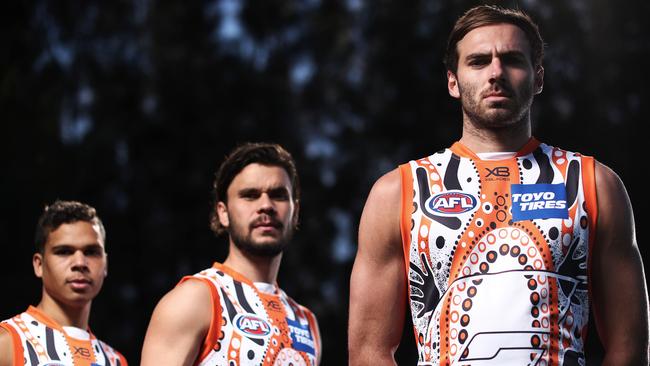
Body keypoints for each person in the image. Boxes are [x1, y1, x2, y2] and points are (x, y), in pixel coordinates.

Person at [349, 5, 649, 365]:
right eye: (478, 61)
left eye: (512, 60)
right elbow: (369, 350)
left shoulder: (595, 184)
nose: (496, 73)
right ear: (452, 81)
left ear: (538, 78)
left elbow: (629, 348)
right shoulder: (398, 192)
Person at [141, 142, 321, 366]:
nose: (266, 205)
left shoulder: (306, 323)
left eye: (278, 195)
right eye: (250, 195)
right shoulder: (195, 300)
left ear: (295, 213)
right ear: (223, 213)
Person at [0, 200, 127, 366]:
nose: (80, 262)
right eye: (64, 252)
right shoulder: (6, 343)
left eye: (91, 252)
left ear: (105, 264)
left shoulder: (116, 361)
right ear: (39, 265)